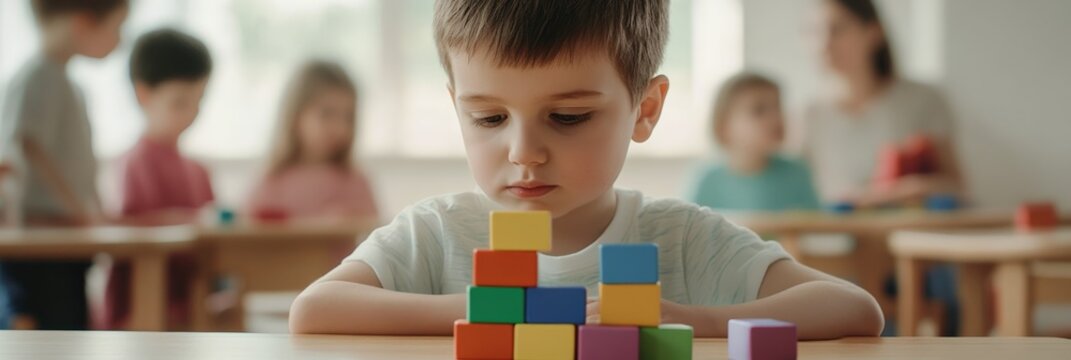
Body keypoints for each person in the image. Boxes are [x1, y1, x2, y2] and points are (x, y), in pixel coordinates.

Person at [289, 0, 883, 339]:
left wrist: (693, 320)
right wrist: (482, 310)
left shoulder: (682, 238)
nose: (524, 151)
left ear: (643, 110)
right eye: (490, 118)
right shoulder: (436, 232)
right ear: (456, 108)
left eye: (568, 117)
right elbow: (314, 310)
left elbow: (854, 309)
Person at [799, 0, 964, 335]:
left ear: (873, 33)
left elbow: (955, 184)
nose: (823, 43)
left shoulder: (921, 100)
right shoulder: (808, 116)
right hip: (838, 245)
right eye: (814, 31)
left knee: (946, 279)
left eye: (836, 29)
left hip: (914, 241)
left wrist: (885, 194)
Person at [0, 0, 128, 330]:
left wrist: (91, 209)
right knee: (54, 327)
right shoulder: (39, 76)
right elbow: (28, 148)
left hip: (66, 234)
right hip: (46, 238)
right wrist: (79, 209)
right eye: (116, 27)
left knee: (70, 322)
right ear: (83, 23)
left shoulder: (65, 82)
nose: (120, 39)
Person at [99, 28, 215, 329]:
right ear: (144, 95)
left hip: (191, 306)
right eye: (179, 102)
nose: (192, 112)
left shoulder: (198, 171)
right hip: (139, 309)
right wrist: (192, 220)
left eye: (199, 100)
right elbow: (131, 229)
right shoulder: (134, 164)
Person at [244, 61, 378, 223]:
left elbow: (376, 238)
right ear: (295, 115)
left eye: (348, 117)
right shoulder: (271, 180)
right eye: (327, 113)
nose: (340, 128)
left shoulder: (355, 182)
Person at [687, 72, 820, 211]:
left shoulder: (797, 173)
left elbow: (818, 225)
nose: (775, 118)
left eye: (778, 107)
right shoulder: (708, 180)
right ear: (724, 126)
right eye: (759, 110)